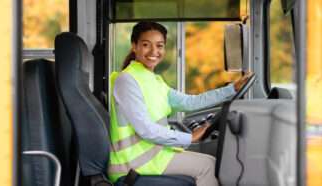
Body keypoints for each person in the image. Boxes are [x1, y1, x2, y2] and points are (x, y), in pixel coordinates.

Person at [107, 22, 251, 186]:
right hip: (133, 163)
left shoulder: (154, 80)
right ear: (134, 46)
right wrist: (190, 137)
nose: (154, 51)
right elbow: (145, 130)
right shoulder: (127, 80)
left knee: (209, 162)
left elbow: (191, 102)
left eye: (159, 46)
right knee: (208, 166)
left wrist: (233, 88)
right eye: (146, 45)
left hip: (153, 155)